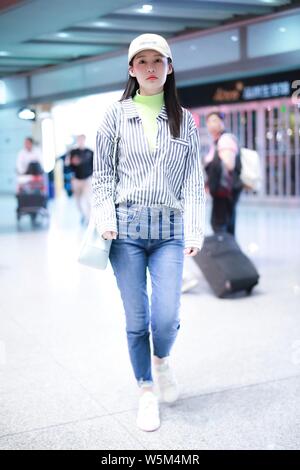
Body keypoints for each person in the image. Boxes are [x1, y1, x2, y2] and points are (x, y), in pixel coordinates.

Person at [92, 34, 205, 432]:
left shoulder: (184, 119)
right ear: (131, 69)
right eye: (142, 61)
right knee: (137, 318)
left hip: (170, 230)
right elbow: (103, 176)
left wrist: (194, 229)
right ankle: (145, 390)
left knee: (167, 315)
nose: (151, 67)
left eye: (158, 60)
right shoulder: (115, 115)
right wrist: (106, 217)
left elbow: (193, 180)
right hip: (125, 230)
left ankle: (162, 361)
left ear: (170, 67)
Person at [204, 112, 242, 236]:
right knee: (226, 225)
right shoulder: (217, 141)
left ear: (222, 122)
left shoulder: (225, 139)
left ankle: (224, 253)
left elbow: (229, 164)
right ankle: (229, 253)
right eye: (209, 121)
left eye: (215, 120)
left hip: (225, 191)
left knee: (219, 224)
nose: (211, 124)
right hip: (222, 191)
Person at [68, 134, 93, 225]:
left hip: (87, 179)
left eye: (82, 139)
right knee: (78, 201)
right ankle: (83, 214)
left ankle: (89, 218)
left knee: (88, 200)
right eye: (79, 139)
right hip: (77, 179)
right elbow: (69, 166)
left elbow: (94, 165)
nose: (81, 141)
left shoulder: (90, 152)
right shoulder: (73, 152)